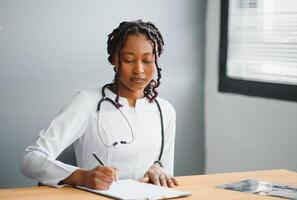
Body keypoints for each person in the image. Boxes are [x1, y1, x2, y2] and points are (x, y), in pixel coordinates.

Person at [20, 20, 178, 190]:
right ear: (114, 60)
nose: (139, 70)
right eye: (129, 60)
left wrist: (158, 169)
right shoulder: (86, 103)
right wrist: (81, 176)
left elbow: (167, 175)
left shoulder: (165, 111)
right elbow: (30, 159)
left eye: (147, 60)